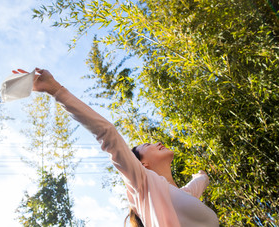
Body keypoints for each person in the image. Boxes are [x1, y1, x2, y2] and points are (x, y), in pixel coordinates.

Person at [12, 68, 219, 227]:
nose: (157, 142)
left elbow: (199, 182)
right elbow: (107, 132)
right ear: (142, 163)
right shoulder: (143, 183)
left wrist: (202, 175)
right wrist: (55, 89)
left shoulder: (183, 195)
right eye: (147, 145)